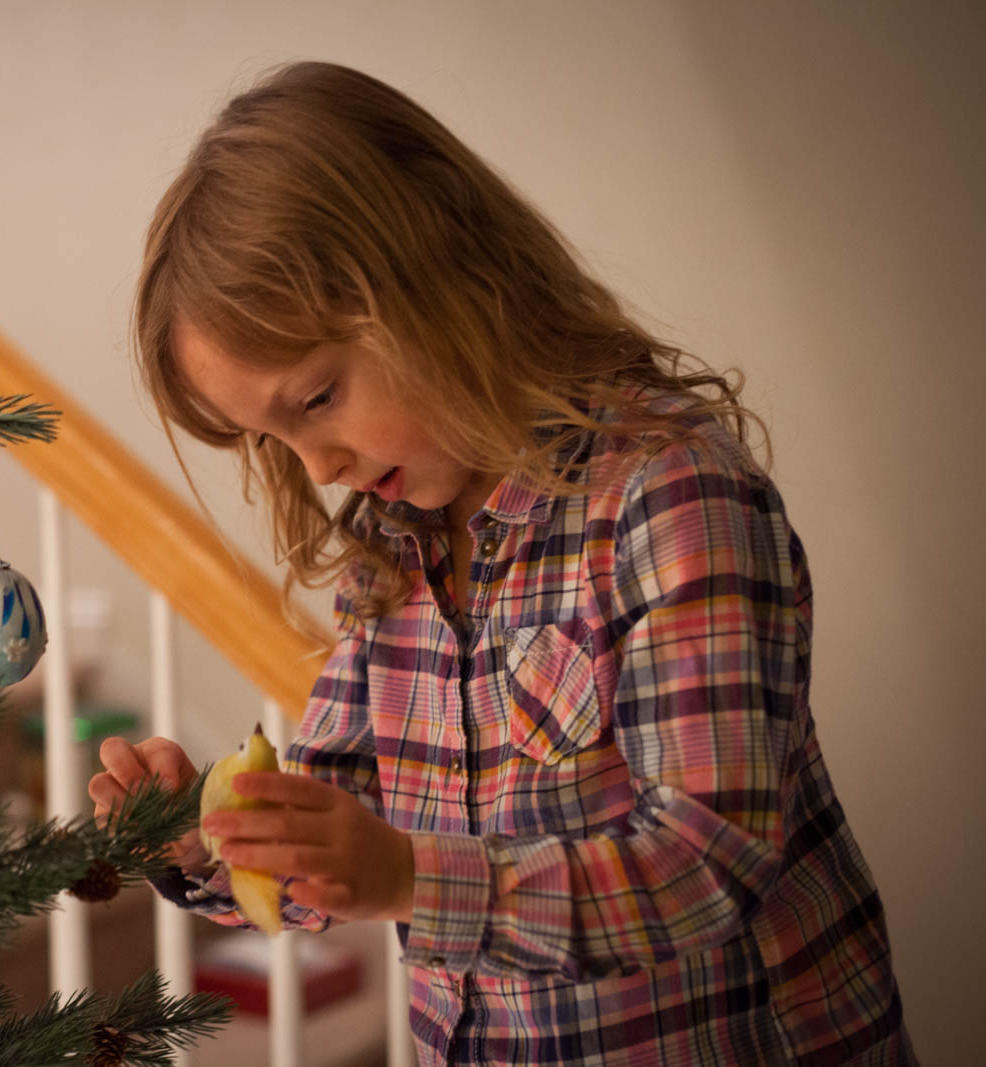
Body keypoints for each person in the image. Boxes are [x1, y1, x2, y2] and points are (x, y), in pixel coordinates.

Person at [87, 61, 914, 1065]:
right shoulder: (390, 559)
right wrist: (203, 838)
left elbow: (703, 864)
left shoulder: (667, 495)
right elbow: (339, 831)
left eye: (315, 399)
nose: (320, 465)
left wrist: (408, 877)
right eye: (273, 437)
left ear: (436, 276)